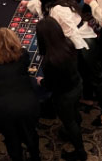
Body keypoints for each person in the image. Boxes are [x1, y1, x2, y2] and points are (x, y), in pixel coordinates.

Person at [24, 0, 102, 127]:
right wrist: (28, 3)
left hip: (83, 42)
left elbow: (72, 33)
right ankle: (88, 98)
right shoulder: (55, 2)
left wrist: (72, 53)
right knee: (84, 73)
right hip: (78, 42)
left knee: (95, 79)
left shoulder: (59, 10)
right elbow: (40, 8)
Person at [0, 29, 40, 161]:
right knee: (31, 134)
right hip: (27, 105)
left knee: (12, 139)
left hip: (3, 109)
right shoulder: (23, 54)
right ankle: (35, 157)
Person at [36, 17, 87, 161]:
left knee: (69, 121)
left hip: (64, 95)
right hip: (77, 84)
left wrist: (41, 82)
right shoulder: (68, 43)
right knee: (74, 112)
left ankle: (80, 152)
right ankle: (74, 128)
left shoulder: (49, 60)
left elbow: (52, 85)